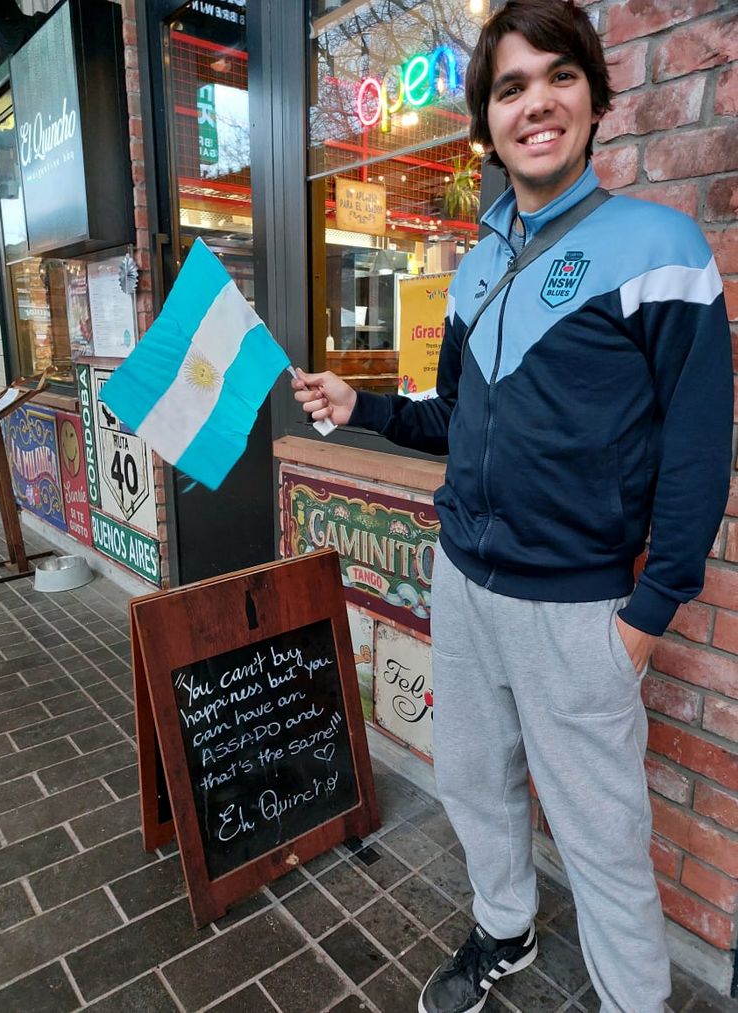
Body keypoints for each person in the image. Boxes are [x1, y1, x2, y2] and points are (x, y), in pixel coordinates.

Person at [293, 2, 733, 1010]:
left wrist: (647, 613)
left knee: (602, 837)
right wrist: (363, 408)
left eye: (558, 76)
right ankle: (504, 927)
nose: (536, 103)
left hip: (576, 609)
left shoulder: (658, 247)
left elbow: (700, 450)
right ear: (487, 124)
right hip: (464, 582)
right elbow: (456, 417)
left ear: (595, 97)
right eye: (510, 87)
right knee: (472, 781)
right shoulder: (479, 264)